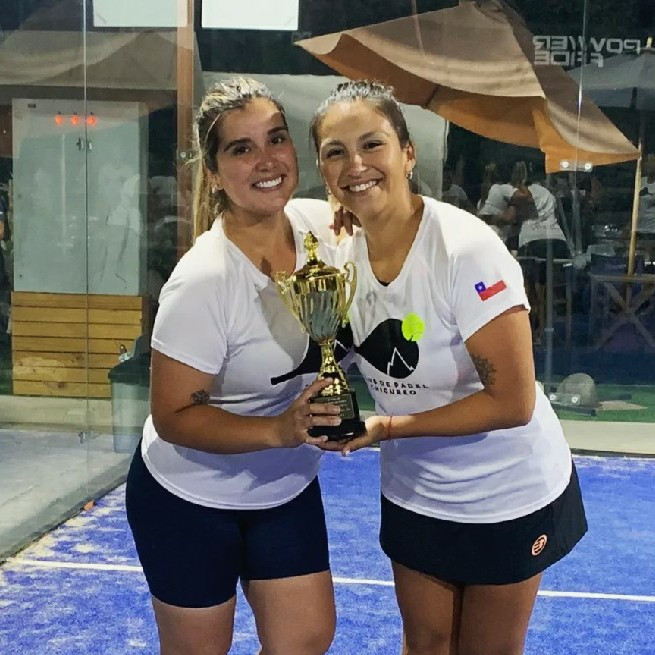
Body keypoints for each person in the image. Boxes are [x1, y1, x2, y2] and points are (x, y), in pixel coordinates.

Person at [310, 80, 587, 655]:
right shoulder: (337, 255)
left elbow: (513, 402)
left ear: (407, 153)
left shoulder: (466, 249)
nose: (355, 164)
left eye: (372, 144)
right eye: (336, 152)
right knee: (426, 644)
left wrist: (387, 428)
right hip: (415, 492)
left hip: (506, 492)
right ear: (323, 170)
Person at [125, 77, 343, 655]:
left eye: (276, 138)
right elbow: (173, 416)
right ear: (215, 173)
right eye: (242, 148)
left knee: (306, 640)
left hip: (285, 488)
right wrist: (279, 430)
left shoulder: (326, 230)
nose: (267, 160)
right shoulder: (202, 282)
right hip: (188, 497)